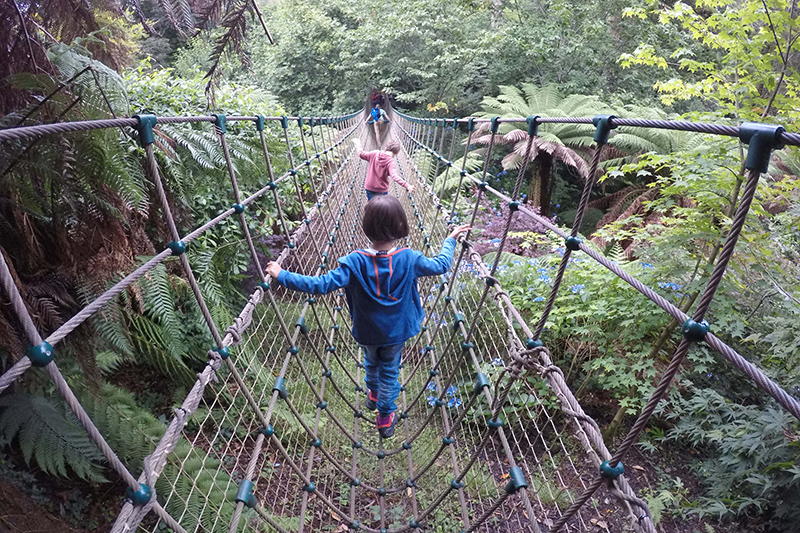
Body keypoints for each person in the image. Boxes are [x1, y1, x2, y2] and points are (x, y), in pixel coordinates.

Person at [265, 196, 471, 438]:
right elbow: (441, 265)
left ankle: (372, 393)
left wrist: (282, 275)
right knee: (390, 372)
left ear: (366, 226)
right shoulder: (409, 259)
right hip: (397, 332)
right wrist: (450, 240)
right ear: (401, 226)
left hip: (366, 331)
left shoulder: (353, 263)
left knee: (371, 361)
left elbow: (318, 285)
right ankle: (385, 415)